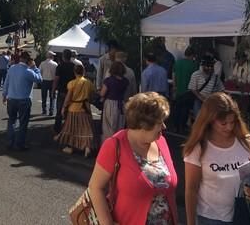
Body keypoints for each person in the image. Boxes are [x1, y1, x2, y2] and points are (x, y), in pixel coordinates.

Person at [87, 92, 178, 225]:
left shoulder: (161, 142)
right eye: (160, 122)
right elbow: (95, 188)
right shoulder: (114, 145)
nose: (164, 127)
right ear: (144, 124)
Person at [183, 92, 250, 225]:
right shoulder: (199, 148)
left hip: (244, 215)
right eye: (223, 124)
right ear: (210, 121)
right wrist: (190, 222)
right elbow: (191, 189)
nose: (229, 127)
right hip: (209, 217)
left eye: (232, 122)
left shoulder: (248, 143)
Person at [2, 50, 42, 151]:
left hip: (11, 98)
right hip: (24, 99)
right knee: (23, 123)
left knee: (11, 120)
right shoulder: (29, 71)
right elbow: (39, 79)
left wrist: (4, 94)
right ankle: (20, 144)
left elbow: (6, 82)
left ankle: (10, 142)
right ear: (29, 61)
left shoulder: (12, 68)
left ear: (20, 58)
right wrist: (35, 68)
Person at [55, 63, 95, 157]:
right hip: (85, 108)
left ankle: (71, 147)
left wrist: (64, 107)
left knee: (72, 128)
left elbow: (68, 97)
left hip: (73, 108)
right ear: (84, 72)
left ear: (74, 72)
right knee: (86, 129)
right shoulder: (88, 83)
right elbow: (92, 96)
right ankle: (87, 147)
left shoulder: (72, 83)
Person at [172, 47, 200, 133]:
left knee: (177, 108)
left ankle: (175, 126)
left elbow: (173, 75)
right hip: (188, 91)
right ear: (192, 55)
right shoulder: (194, 64)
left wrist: (175, 86)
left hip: (178, 89)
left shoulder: (177, 63)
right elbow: (196, 78)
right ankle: (182, 127)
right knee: (185, 109)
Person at [100, 60, 129, 141]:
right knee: (120, 126)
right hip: (121, 104)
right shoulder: (125, 81)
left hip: (110, 103)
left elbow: (102, 93)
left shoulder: (109, 80)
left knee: (108, 127)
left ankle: (109, 145)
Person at [53, 49, 77, 134]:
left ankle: (57, 129)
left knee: (59, 111)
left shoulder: (60, 66)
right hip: (71, 92)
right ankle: (68, 128)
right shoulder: (74, 66)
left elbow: (56, 79)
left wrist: (53, 90)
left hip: (62, 91)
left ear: (63, 56)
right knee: (69, 111)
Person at [39, 51, 58, 116]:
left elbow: (39, 72)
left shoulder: (42, 63)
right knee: (52, 96)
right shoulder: (55, 64)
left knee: (44, 96)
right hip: (52, 81)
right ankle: (51, 111)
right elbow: (56, 74)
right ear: (52, 56)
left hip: (44, 81)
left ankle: (44, 110)